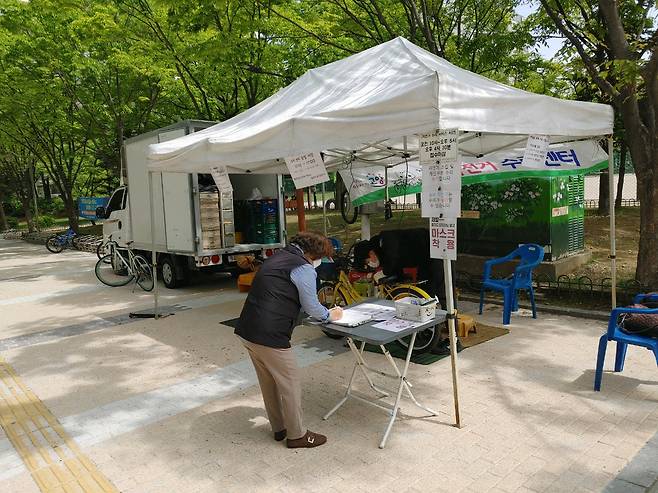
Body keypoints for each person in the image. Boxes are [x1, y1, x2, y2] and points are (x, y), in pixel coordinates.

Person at [234, 231, 343, 448]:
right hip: (270, 334)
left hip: (248, 330)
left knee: (269, 382)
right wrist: (331, 314)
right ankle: (297, 435)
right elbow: (312, 307)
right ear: (314, 253)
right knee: (290, 383)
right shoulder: (303, 268)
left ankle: (279, 428)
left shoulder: (278, 257)